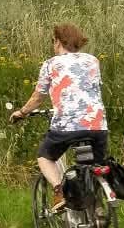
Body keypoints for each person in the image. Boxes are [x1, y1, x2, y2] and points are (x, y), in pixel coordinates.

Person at [10, 23, 109, 216]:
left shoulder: (51, 64)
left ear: (57, 41)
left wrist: (21, 112)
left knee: (44, 157)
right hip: (98, 125)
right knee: (94, 167)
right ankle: (97, 208)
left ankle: (59, 193)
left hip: (67, 126)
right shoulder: (93, 61)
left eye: (53, 41)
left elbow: (38, 97)